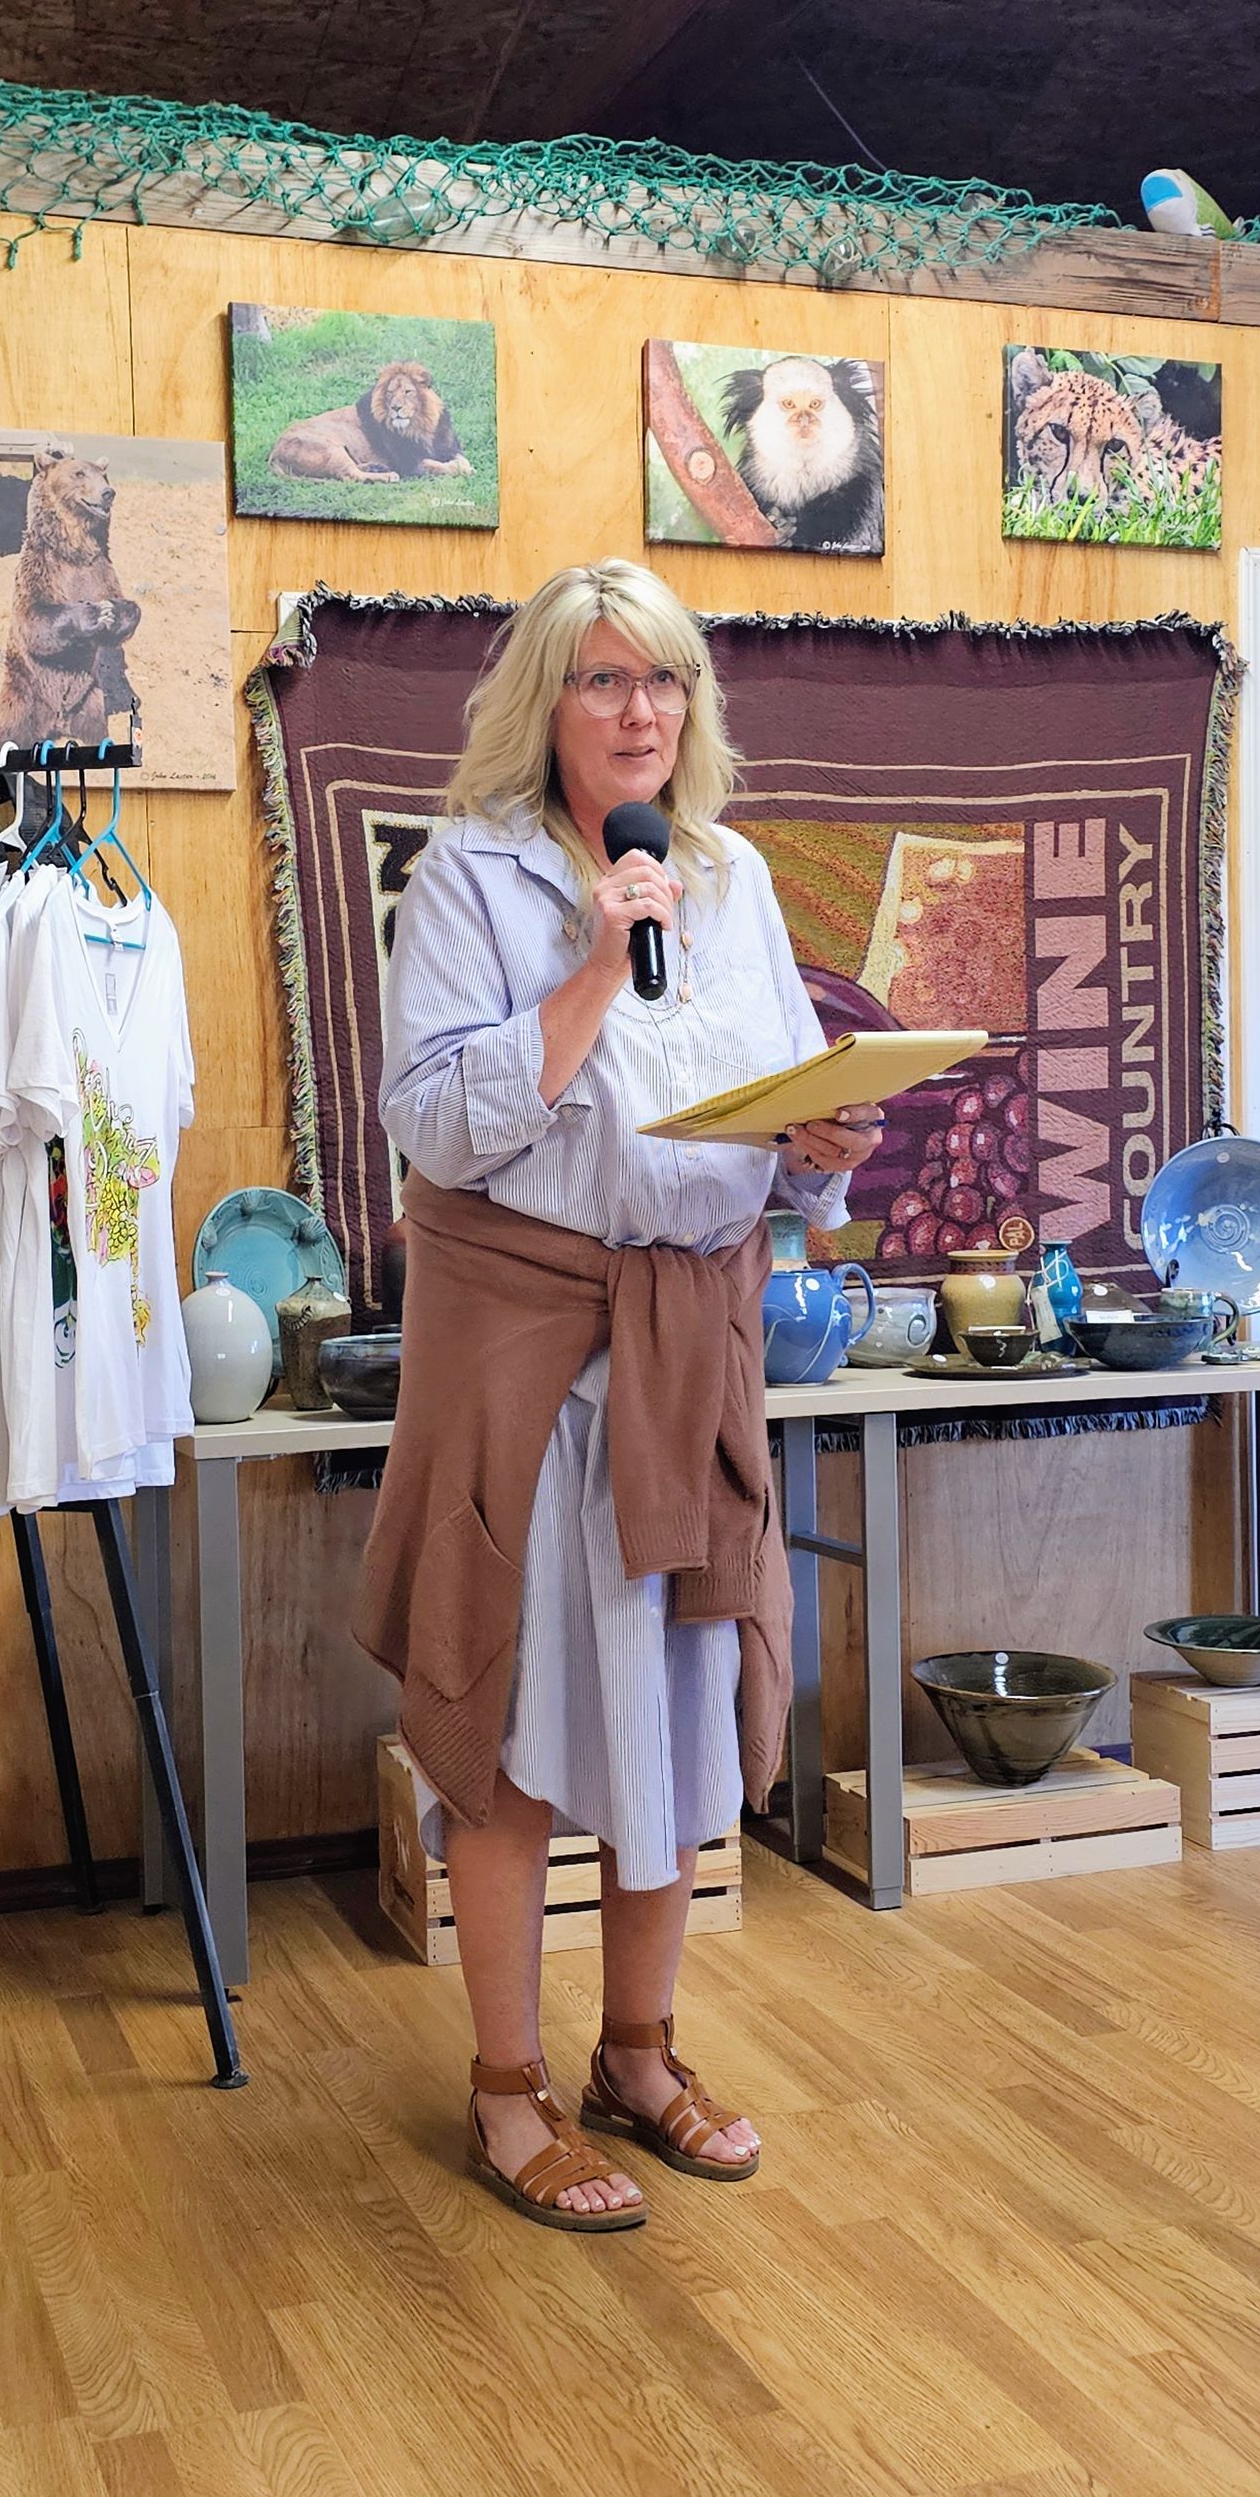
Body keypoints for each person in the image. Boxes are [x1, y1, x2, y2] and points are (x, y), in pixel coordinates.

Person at [361, 560, 884, 2232]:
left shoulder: (722, 878)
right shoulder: (473, 878)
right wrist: (590, 970)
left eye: (661, 682)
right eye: (601, 681)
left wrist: (820, 1155)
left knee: (673, 1715)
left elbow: (781, 1140)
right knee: (510, 1737)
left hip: (689, 1354)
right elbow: (438, 1130)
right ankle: (507, 2094)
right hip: (532, 1363)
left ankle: (637, 2058)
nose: (638, 711)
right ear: (545, 703)